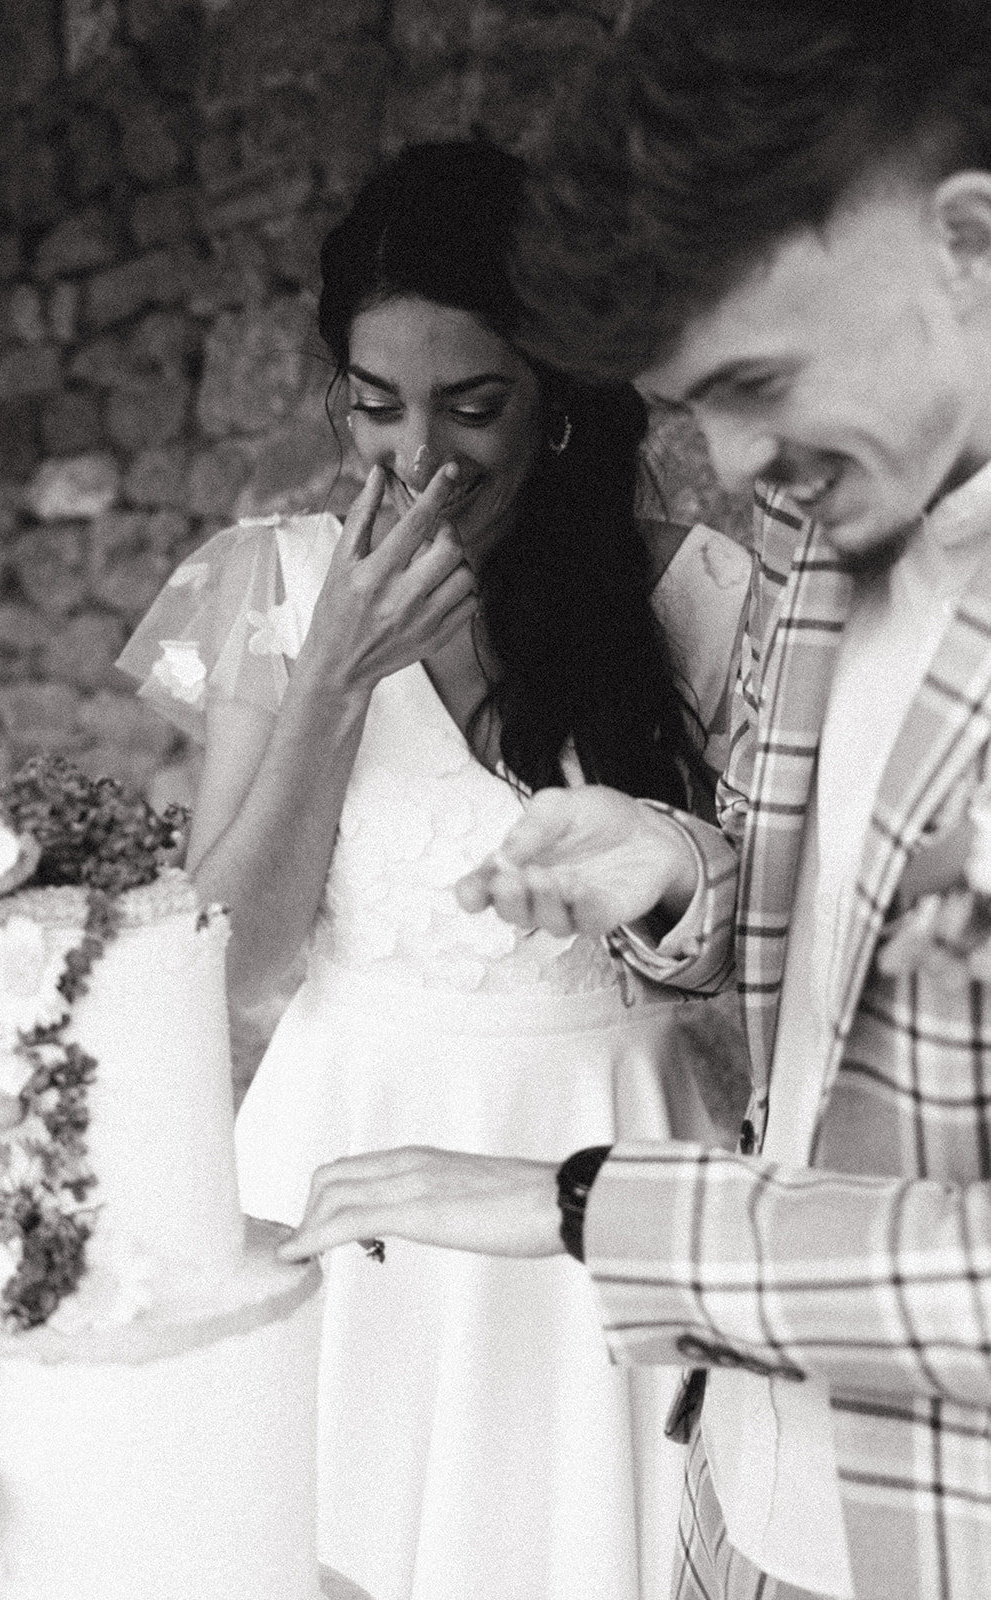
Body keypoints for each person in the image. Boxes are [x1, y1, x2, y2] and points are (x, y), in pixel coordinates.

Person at [279, 7, 991, 1600]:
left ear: (968, 245)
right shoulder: (822, 539)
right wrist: (677, 870)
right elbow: (850, 974)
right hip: (739, 1495)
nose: (729, 456)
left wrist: (589, 1204)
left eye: (758, 376)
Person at [118, 140, 750, 1600]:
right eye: (375, 406)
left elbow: (756, 925)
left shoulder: (690, 592)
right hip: (348, 1153)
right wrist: (334, 680)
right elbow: (233, 967)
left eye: (475, 407)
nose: (417, 457)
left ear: (566, 400)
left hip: (601, 1153)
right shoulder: (274, 584)